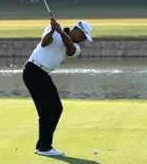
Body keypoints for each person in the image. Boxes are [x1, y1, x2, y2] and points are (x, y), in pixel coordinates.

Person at [23, 17, 94, 157]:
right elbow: (44, 43)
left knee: (52, 110)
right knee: (52, 109)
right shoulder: (52, 29)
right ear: (77, 30)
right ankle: (44, 147)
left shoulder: (75, 46)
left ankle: (43, 146)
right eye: (83, 36)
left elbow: (70, 49)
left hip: (41, 74)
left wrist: (60, 31)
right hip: (33, 71)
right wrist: (53, 31)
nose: (83, 40)